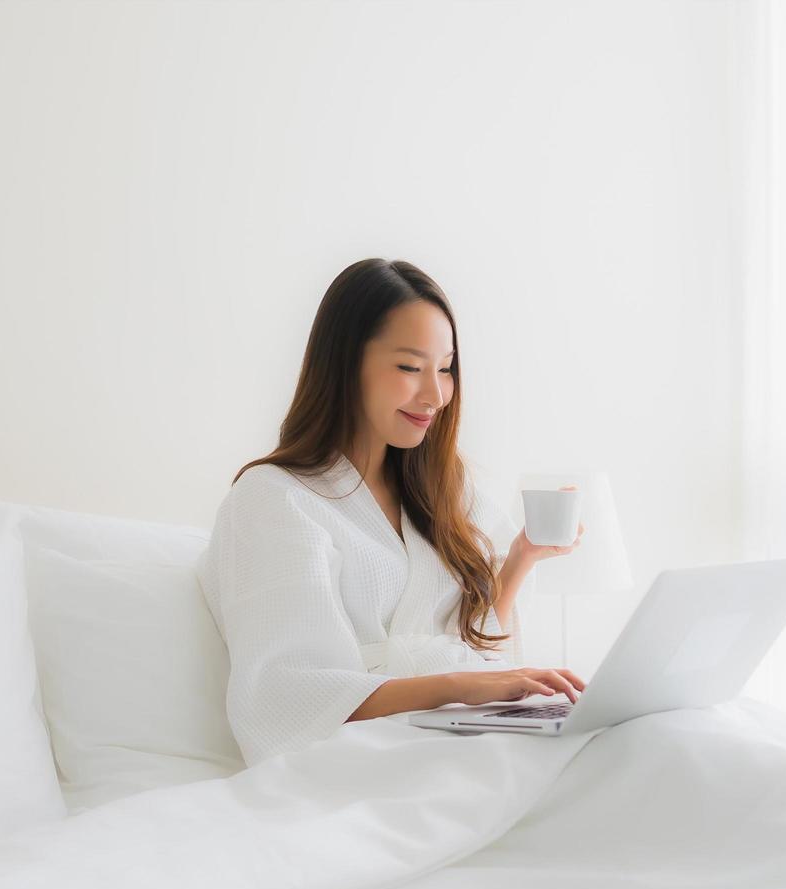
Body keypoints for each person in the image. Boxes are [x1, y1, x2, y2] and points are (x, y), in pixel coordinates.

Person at [196, 257, 587, 767]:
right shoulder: (272, 499)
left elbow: (476, 644)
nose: (436, 394)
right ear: (345, 362)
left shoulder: (444, 489)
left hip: (460, 731)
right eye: (409, 367)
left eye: (445, 369)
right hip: (363, 752)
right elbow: (285, 696)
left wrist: (520, 559)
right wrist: (456, 688)